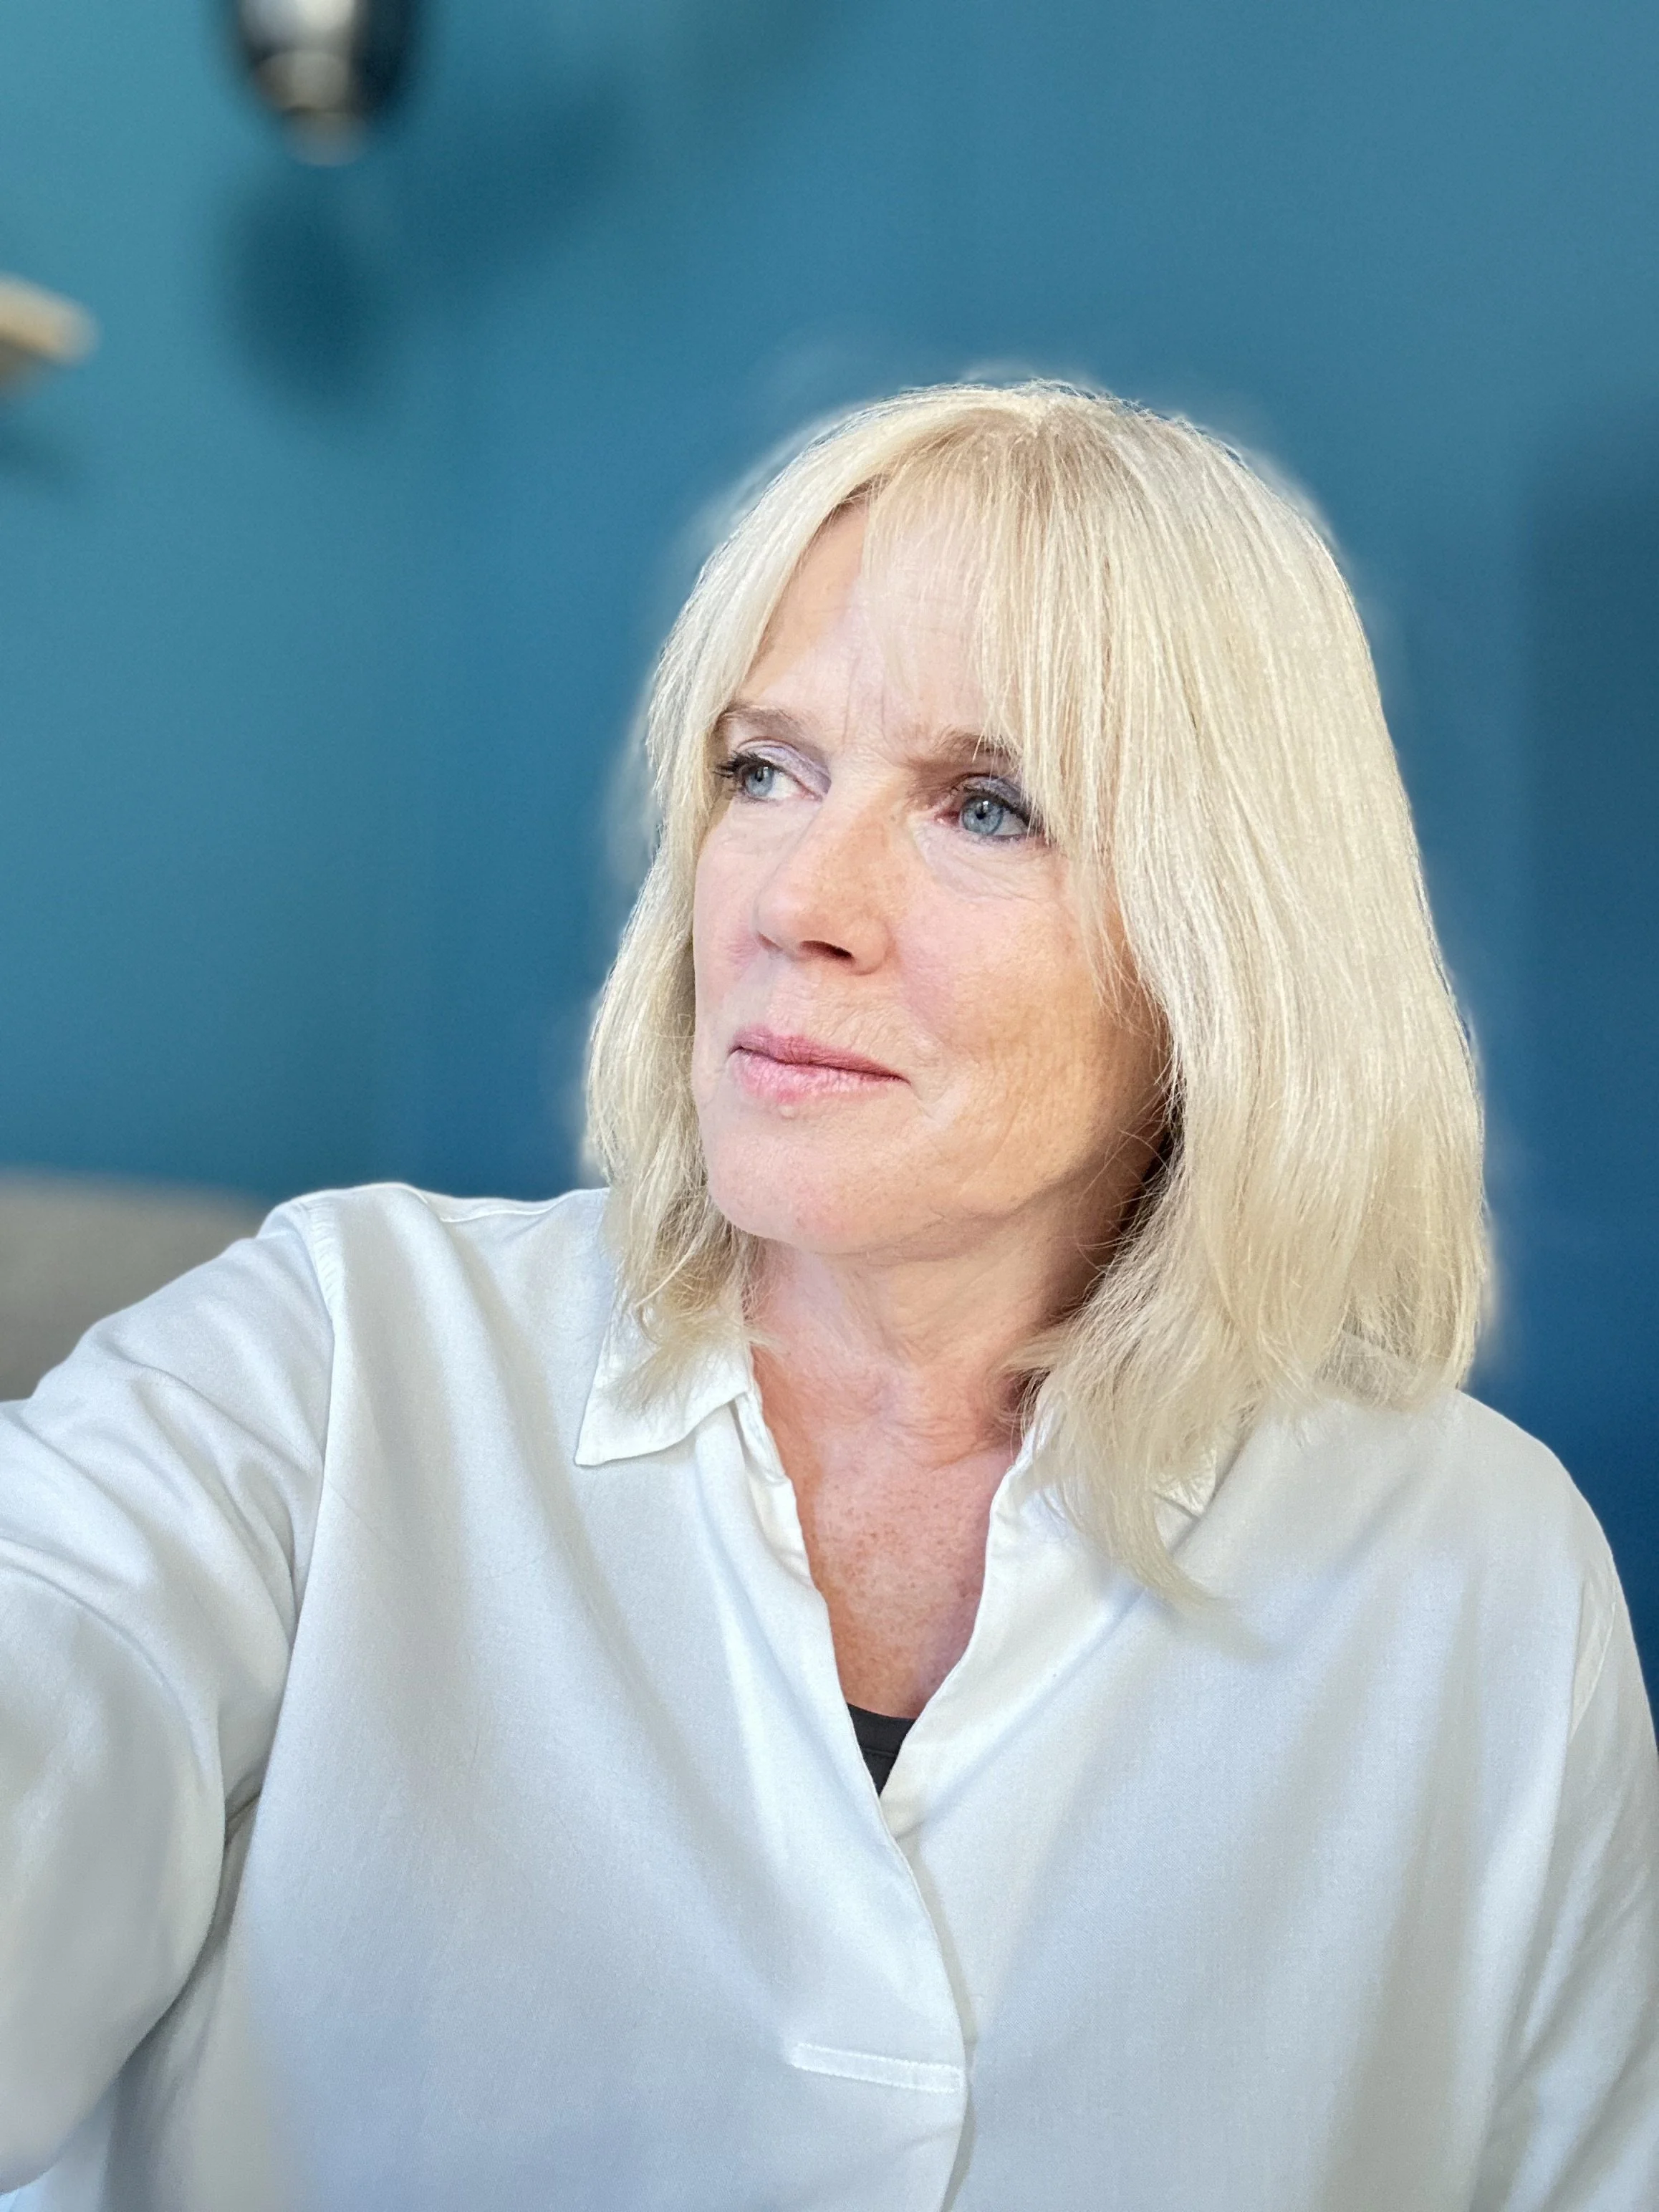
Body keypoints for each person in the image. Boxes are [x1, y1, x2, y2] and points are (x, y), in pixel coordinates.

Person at [1, 381, 1655, 2211]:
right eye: (762, 771)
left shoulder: (1480, 1575)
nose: (798, 896)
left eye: (986, 804)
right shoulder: (335, 1357)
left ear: (1228, 938)